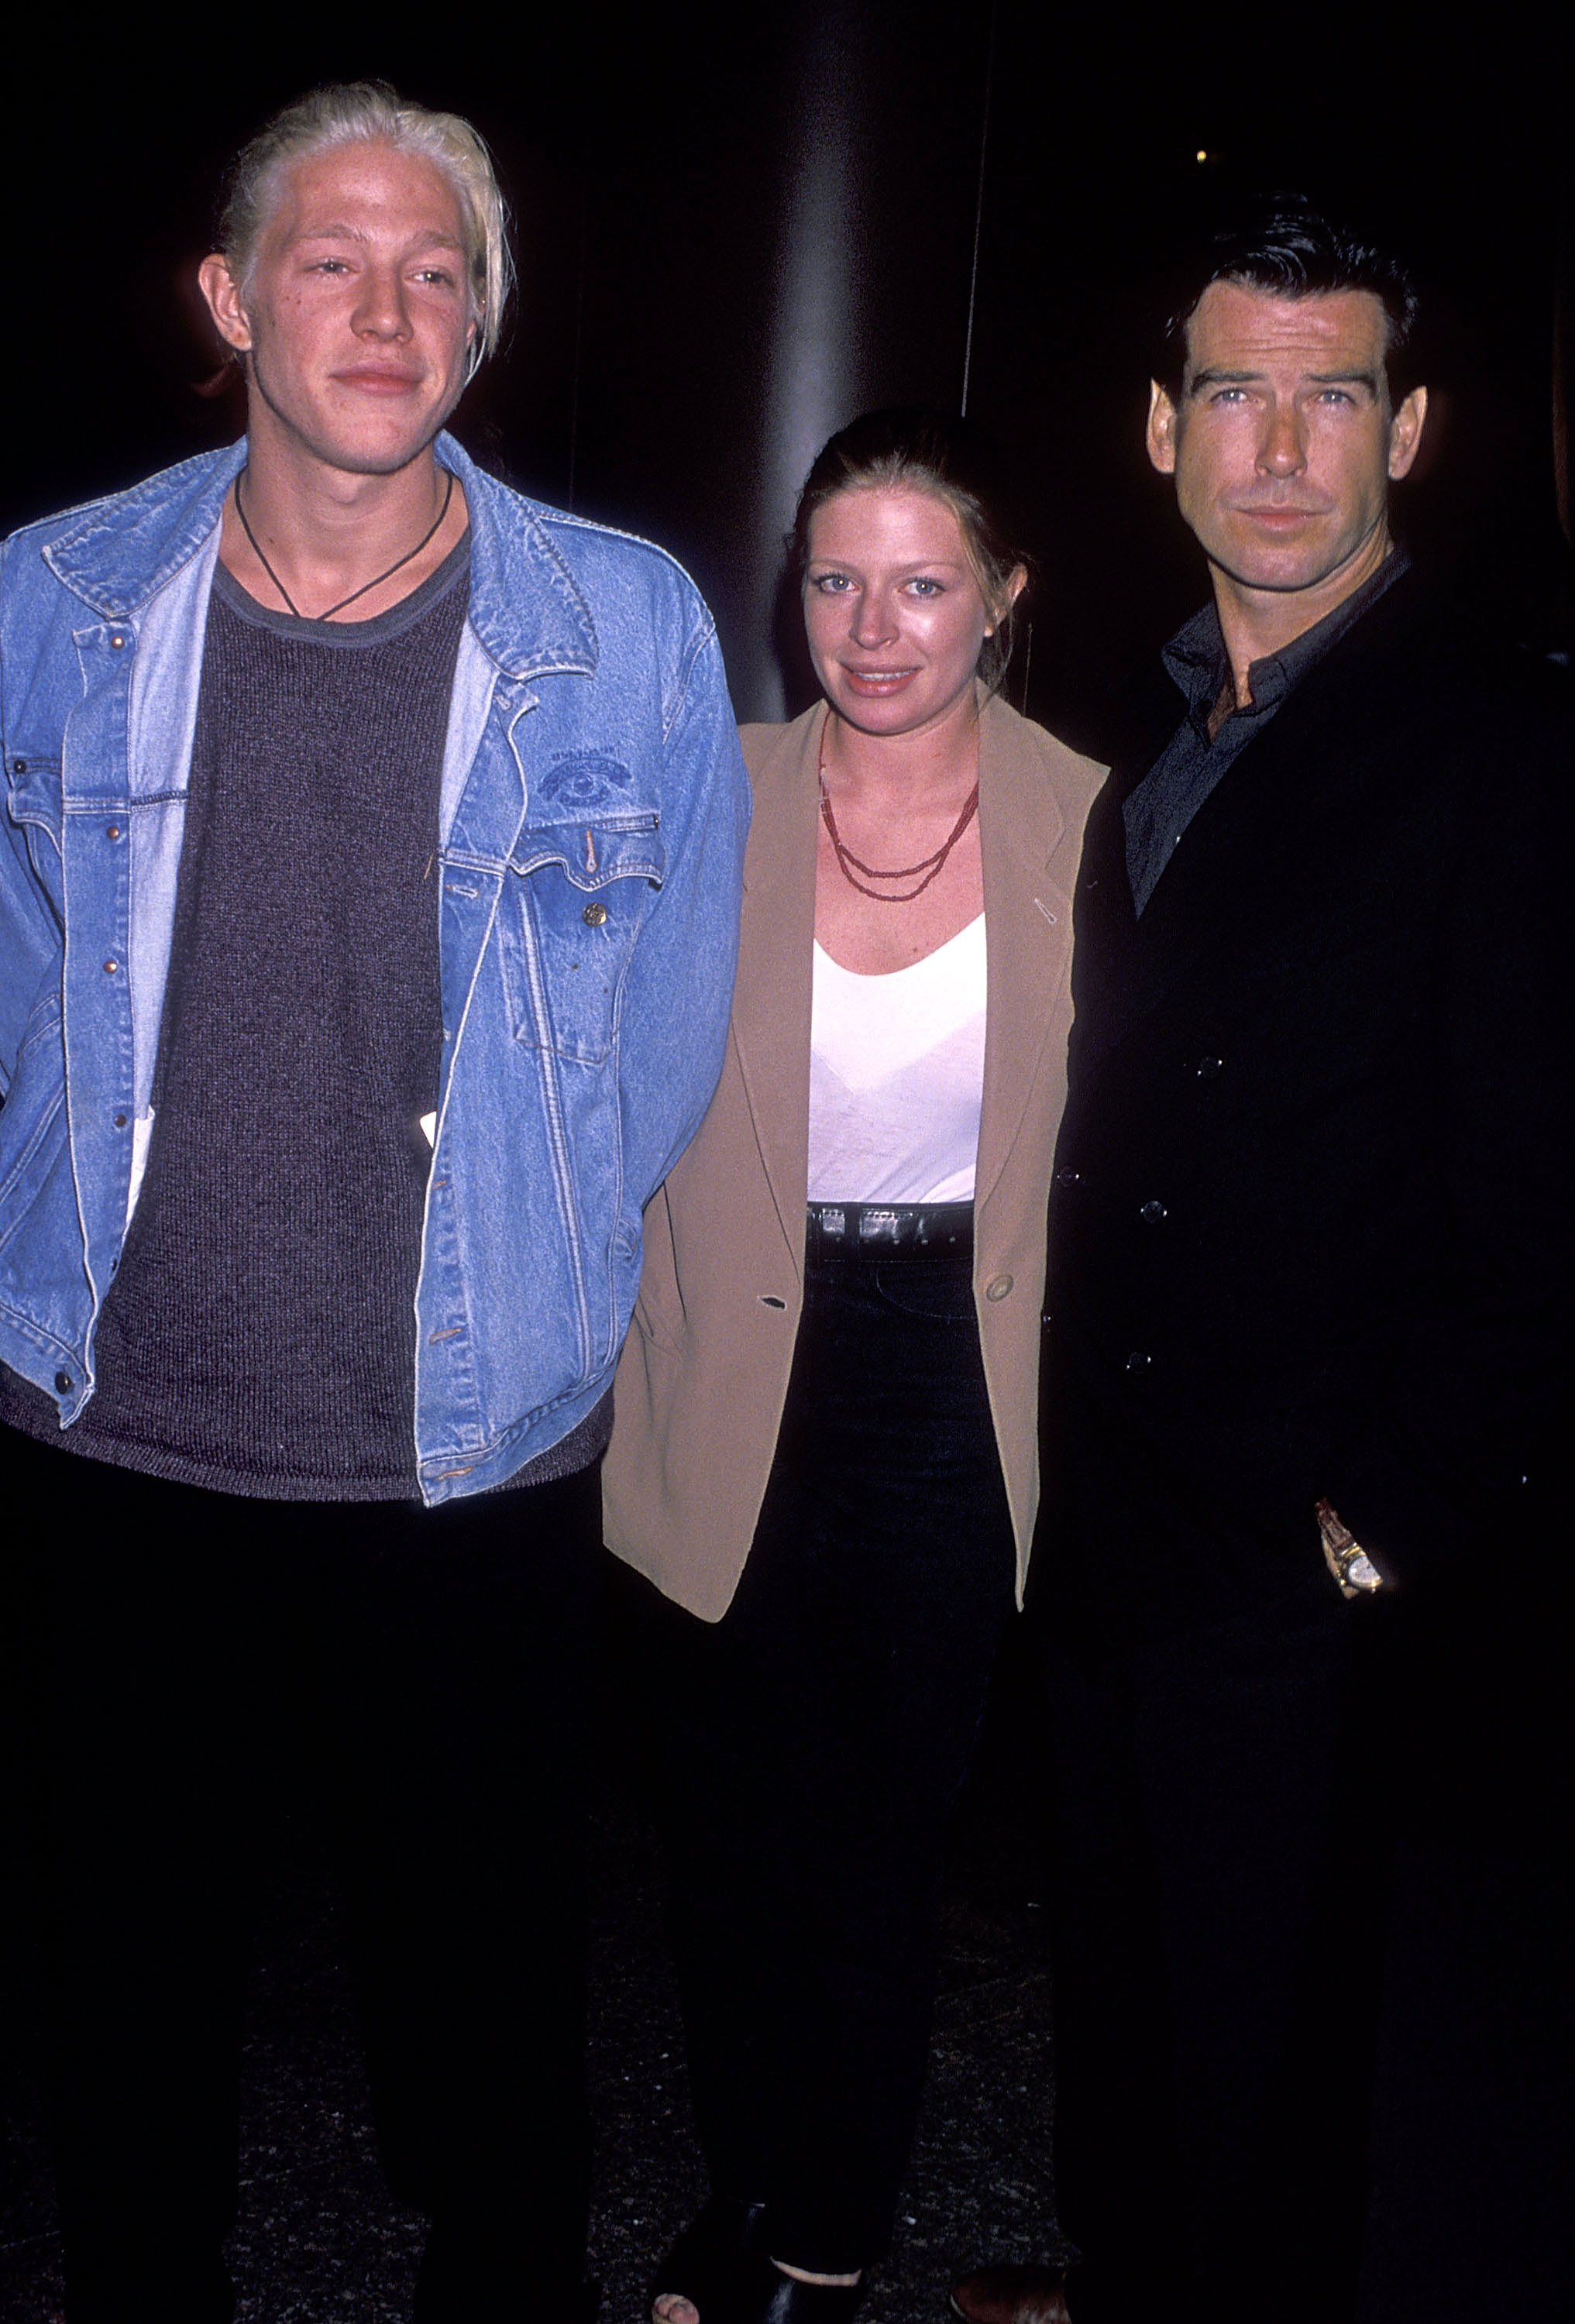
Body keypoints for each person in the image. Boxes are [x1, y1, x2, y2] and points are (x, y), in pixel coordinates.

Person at [0, 81, 747, 2324]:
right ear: (233, 301)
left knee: (488, 2025)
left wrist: (531, 1292)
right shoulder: (53, 595)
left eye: (439, 269)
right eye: (332, 256)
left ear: (482, 330)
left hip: (466, 1449)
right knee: (126, 2016)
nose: (387, 304)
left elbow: (668, 1040)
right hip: (114, 1428)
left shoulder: (620, 629)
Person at [951, 198, 1572, 2324]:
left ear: (1408, 433)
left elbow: (1547, 1201)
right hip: (1113, 1546)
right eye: (1237, 393)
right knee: (1128, 2064)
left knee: (1283, 2115)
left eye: (1335, 396)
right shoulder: (1148, 731)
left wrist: (1375, 1530)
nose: (1281, 448)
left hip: (1302, 1571)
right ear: (1159, 429)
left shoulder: (1502, 746)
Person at [602, 407, 1102, 2323]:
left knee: (878, 1854)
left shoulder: (1091, 819)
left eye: (921, 583)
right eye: (835, 580)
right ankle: (748, 2190)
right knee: (725, 1850)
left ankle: (825, 2232)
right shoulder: (705, 795)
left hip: (949, 1383)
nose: (874, 627)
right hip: (724, 1354)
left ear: (1001, 599)